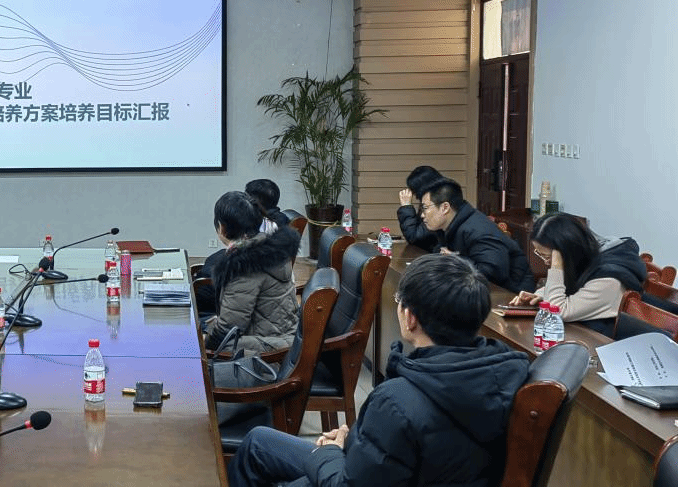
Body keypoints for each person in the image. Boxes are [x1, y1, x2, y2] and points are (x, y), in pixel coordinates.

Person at [227, 254, 530, 487]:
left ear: (410, 318)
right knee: (259, 441)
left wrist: (329, 451)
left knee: (266, 454)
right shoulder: (504, 370)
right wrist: (355, 437)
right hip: (402, 471)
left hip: (354, 475)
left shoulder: (397, 400)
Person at [510, 213, 647, 336]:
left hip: (604, 346)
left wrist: (556, 266)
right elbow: (570, 287)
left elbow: (557, 312)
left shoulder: (609, 279)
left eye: (548, 257)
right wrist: (539, 296)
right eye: (540, 254)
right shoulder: (586, 259)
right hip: (582, 336)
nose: (546, 263)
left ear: (567, 252)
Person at [202, 191, 300, 353]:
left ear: (221, 228)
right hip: (285, 335)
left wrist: (205, 339)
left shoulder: (243, 266)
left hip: (271, 348)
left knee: (193, 343)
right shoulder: (269, 247)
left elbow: (229, 328)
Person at [420, 177, 535, 293]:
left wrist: (455, 260)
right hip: (478, 289)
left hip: (511, 295)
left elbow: (493, 273)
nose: (422, 215)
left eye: (425, 208)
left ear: (445, 208)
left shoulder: (478, 230)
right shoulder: (450, 225)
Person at [197, 179, 290, 317]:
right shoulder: (271, 248)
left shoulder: (237, 265)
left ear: (221, 228)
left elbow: (231, 323)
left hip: (253, 329)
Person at [396, 165, 442, 251]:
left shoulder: (437, 204)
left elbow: (414, 237)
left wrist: (406, 206)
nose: (415, 195)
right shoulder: (435, 199)